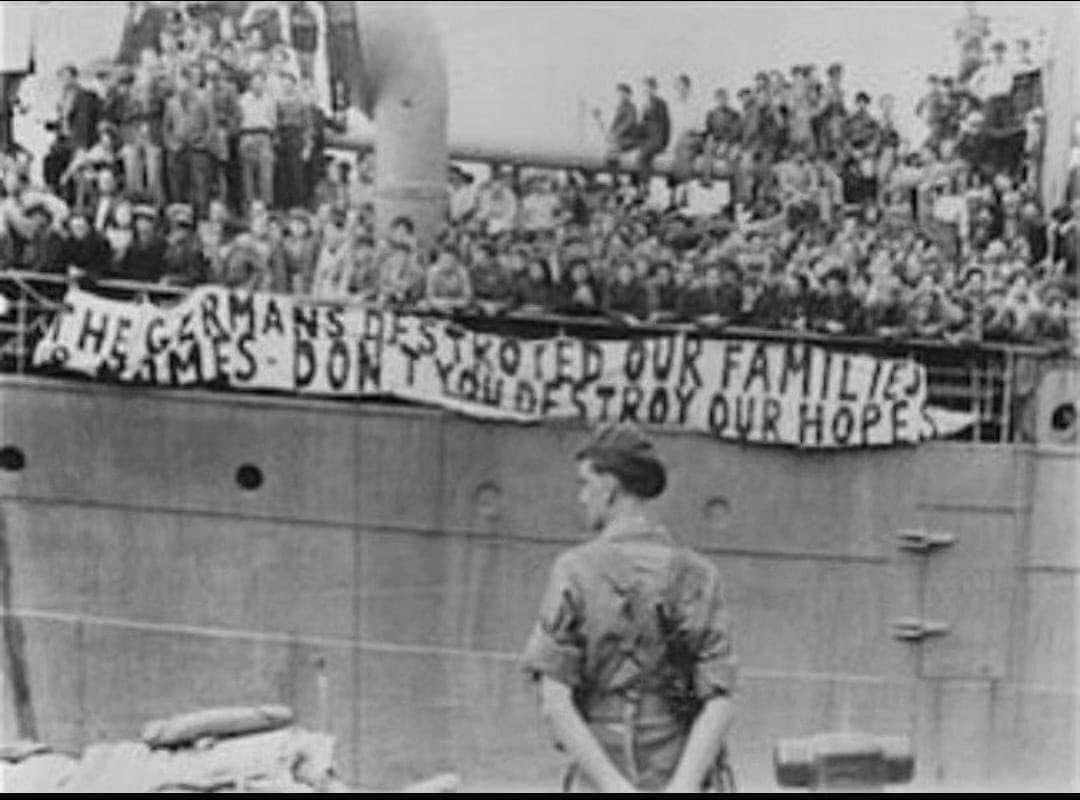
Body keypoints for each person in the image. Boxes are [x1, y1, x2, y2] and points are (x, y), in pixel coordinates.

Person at [522, 423, 737, 793]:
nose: (581, 498)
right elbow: (719, 700)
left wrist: (614, 788)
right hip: (678, 774)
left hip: (600, 778)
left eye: (585, 484)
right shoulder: (700, 576)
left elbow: (554, 701)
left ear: (609, 489)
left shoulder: (574, 571)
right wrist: (682, 787)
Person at [162, 68, 214, 218]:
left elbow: (211, 124)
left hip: (197, 148)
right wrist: (171, 144)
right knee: (178, 186)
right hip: (178, 149)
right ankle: (181, 218)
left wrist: (204, 143)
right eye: (179, 82)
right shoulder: (171, 103)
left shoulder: (203, 99)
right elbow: (166, 127)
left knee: (200, 185)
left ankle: (202, 217)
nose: (182, 85)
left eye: (185, 81)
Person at [636, 76, 671, 191]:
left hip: (657, 138)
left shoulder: (661, 104)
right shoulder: (644, 104)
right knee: (643, 155)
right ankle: (642, 185)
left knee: (643, 155)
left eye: (649, 88)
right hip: (647, 138)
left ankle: (644, 185)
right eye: (645, 89)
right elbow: (641, 126)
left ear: (654, 89)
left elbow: (666, 124)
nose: (646, 91)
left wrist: (665, 143)